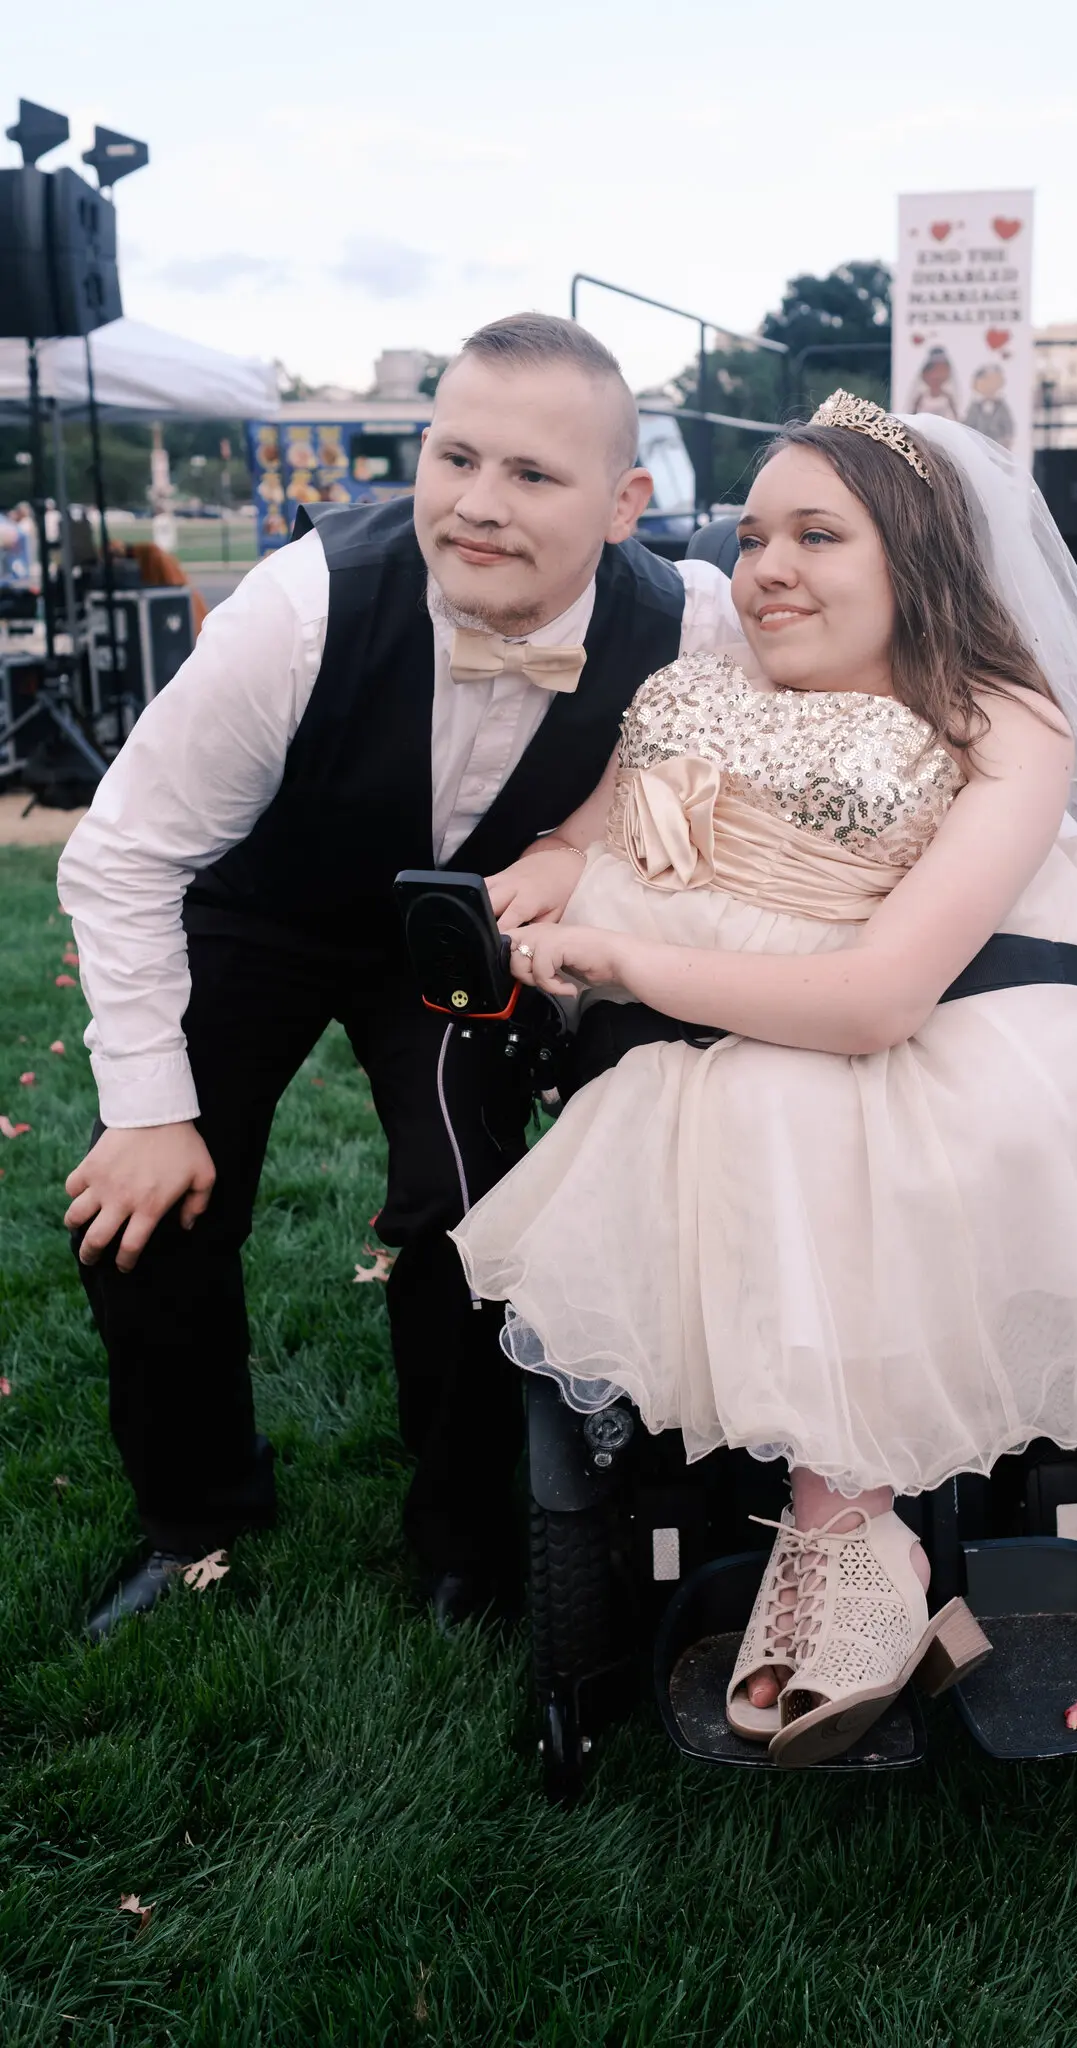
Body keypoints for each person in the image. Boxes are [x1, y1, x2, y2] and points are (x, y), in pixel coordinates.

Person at [453, 394, 1077, 1767]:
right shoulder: (694, 701)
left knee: (788, 1104)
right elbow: (579, 839)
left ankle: (844, 1538)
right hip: (726, 1024)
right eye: (750, 538)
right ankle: (839, 1537)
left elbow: (875, 1001)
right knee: (730, 1098)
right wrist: (536, 884)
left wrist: (616, 947)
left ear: (912, 557)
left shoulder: (999, 720)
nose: (767, 569)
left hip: (956, 1031)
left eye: (815, 535)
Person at [57, 313, 741, 1638]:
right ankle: (194, 1519)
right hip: (260, 914)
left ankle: (466, 1542)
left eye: (532, 477)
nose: (476, 507)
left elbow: (742, 748)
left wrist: (567, 845)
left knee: (466, 1208)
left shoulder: (692, 621)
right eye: (452, 459)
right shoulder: (301, 602)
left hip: (460, 935)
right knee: (149, 1205)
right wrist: (147, 1103)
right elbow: (124, 852)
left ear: (624, 503)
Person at [964, 363, 1015, 451]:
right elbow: (969, 424)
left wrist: (1006, 439)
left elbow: (1008, 424)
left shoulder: (1001, 406)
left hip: (997, 445)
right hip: (978, 445)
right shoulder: (975, 406)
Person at [903, 346, 959, 421]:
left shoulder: (947, 398)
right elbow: (912, 415)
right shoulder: (921, 397)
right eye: (933, 372)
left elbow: (955, 417)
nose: (936, 377)